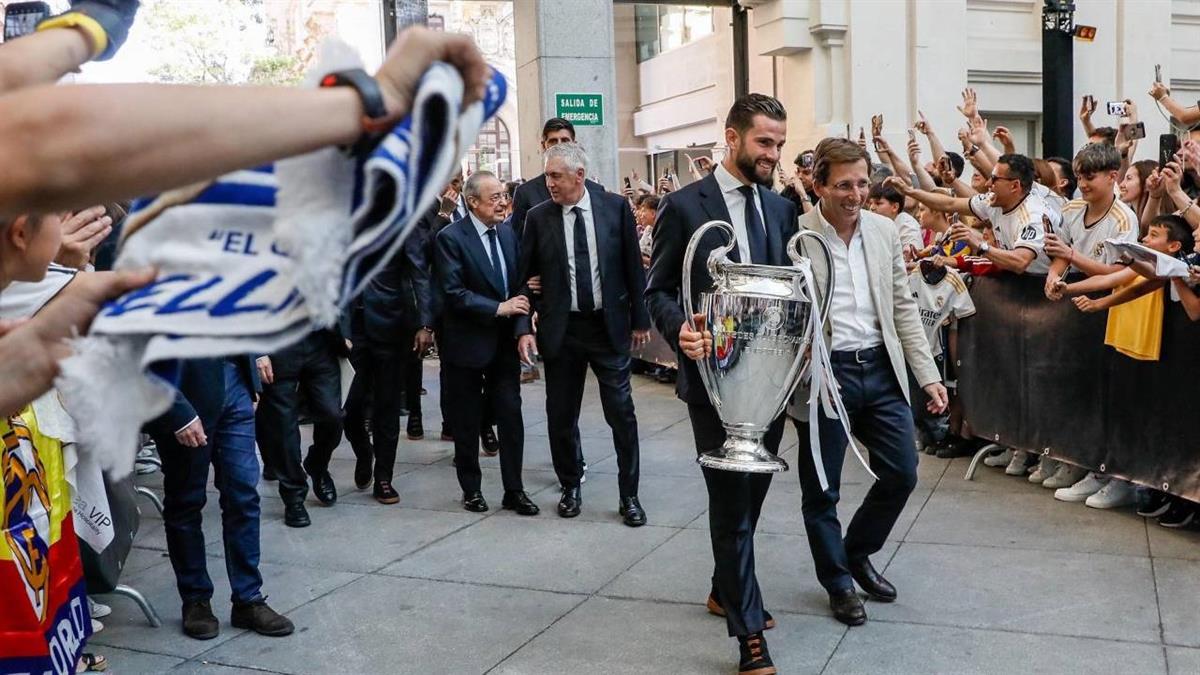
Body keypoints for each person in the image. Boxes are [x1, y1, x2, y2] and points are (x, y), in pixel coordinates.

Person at [645, 93, 798, 675]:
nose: (773, 154)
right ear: (731, 137)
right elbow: (656, 289)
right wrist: (680, 328)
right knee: (730, 503)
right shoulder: (684, 206)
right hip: (712, 380)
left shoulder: (780, 208)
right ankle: (748, 635)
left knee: (751, 497)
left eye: (779, 144)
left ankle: (723, 588)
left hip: (770, 381)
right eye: (764, 142)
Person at [790, 137, 947, 627]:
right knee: (822, 490)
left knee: (901, 472)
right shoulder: (795, 234)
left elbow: (902, 306)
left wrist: (927, 376)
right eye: (842, 184)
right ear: (818, 185)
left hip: (880, 369)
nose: (854, 193)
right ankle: (838, 582)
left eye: (862, 183)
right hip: (824, 374)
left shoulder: (882, 231)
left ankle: (856, 551)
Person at [515, 142, 650, 526]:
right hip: (563, 331)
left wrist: (640, 319)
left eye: (556, 176)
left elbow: (631, 267)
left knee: (621, 413)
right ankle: (570, 485)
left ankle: (630, 496)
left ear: (580, 175)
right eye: (546, 176)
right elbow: (522, 278)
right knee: (561, 415)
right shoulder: (539, 217)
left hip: (607, 329)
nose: (549, 184)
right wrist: (524, 326)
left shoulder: (614, 208)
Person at [144, 356, 294, 640]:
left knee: (244, 497)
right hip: (184, 392)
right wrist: (177, 412)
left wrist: (251, 372)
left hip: (235, 382)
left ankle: (248, 598)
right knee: (186, 501)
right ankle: (196, 599)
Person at [434, 171, 538, 515]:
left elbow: (522, 288)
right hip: (465, 345)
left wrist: (522, 327)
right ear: (471, 202)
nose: (502, 203)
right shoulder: (451, 239)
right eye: (493, 197)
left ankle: (514, 490)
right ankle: (472, 489)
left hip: (504, 345)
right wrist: (498, 308)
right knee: (466, 420)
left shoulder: (509, 235)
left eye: (503, 196)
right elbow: (453, 294)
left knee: (511, 416)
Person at [343, 205, 435, 503]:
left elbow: (419, 272)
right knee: (349, 405)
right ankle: (363, 451)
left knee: (387, 406)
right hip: (349, 331)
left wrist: (425, 323)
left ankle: (384, 476)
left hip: (390, 324)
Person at [887, 153, 1059, 276]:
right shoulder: (994, 200)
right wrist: (910, 191)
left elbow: (1020, 262)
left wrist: (980, 244)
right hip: (1023, 280)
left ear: (1015, 186)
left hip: (1046, 282)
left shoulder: (1033, 215)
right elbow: (950, 203)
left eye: (995, 179)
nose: (988, 183)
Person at [254, 327, 348, 526]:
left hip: (321, 341)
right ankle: (293, 495)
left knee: (332, 415)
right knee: (282, 426)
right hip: (278, 344)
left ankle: (317, 464)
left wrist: (344, 332)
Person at [510, 118, 599, 237]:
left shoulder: (595, 190)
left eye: (565, 141)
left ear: (574, 145)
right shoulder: (525, 193)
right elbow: (519, 242)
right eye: (553, 141)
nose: (559, 146)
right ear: (543, 146)